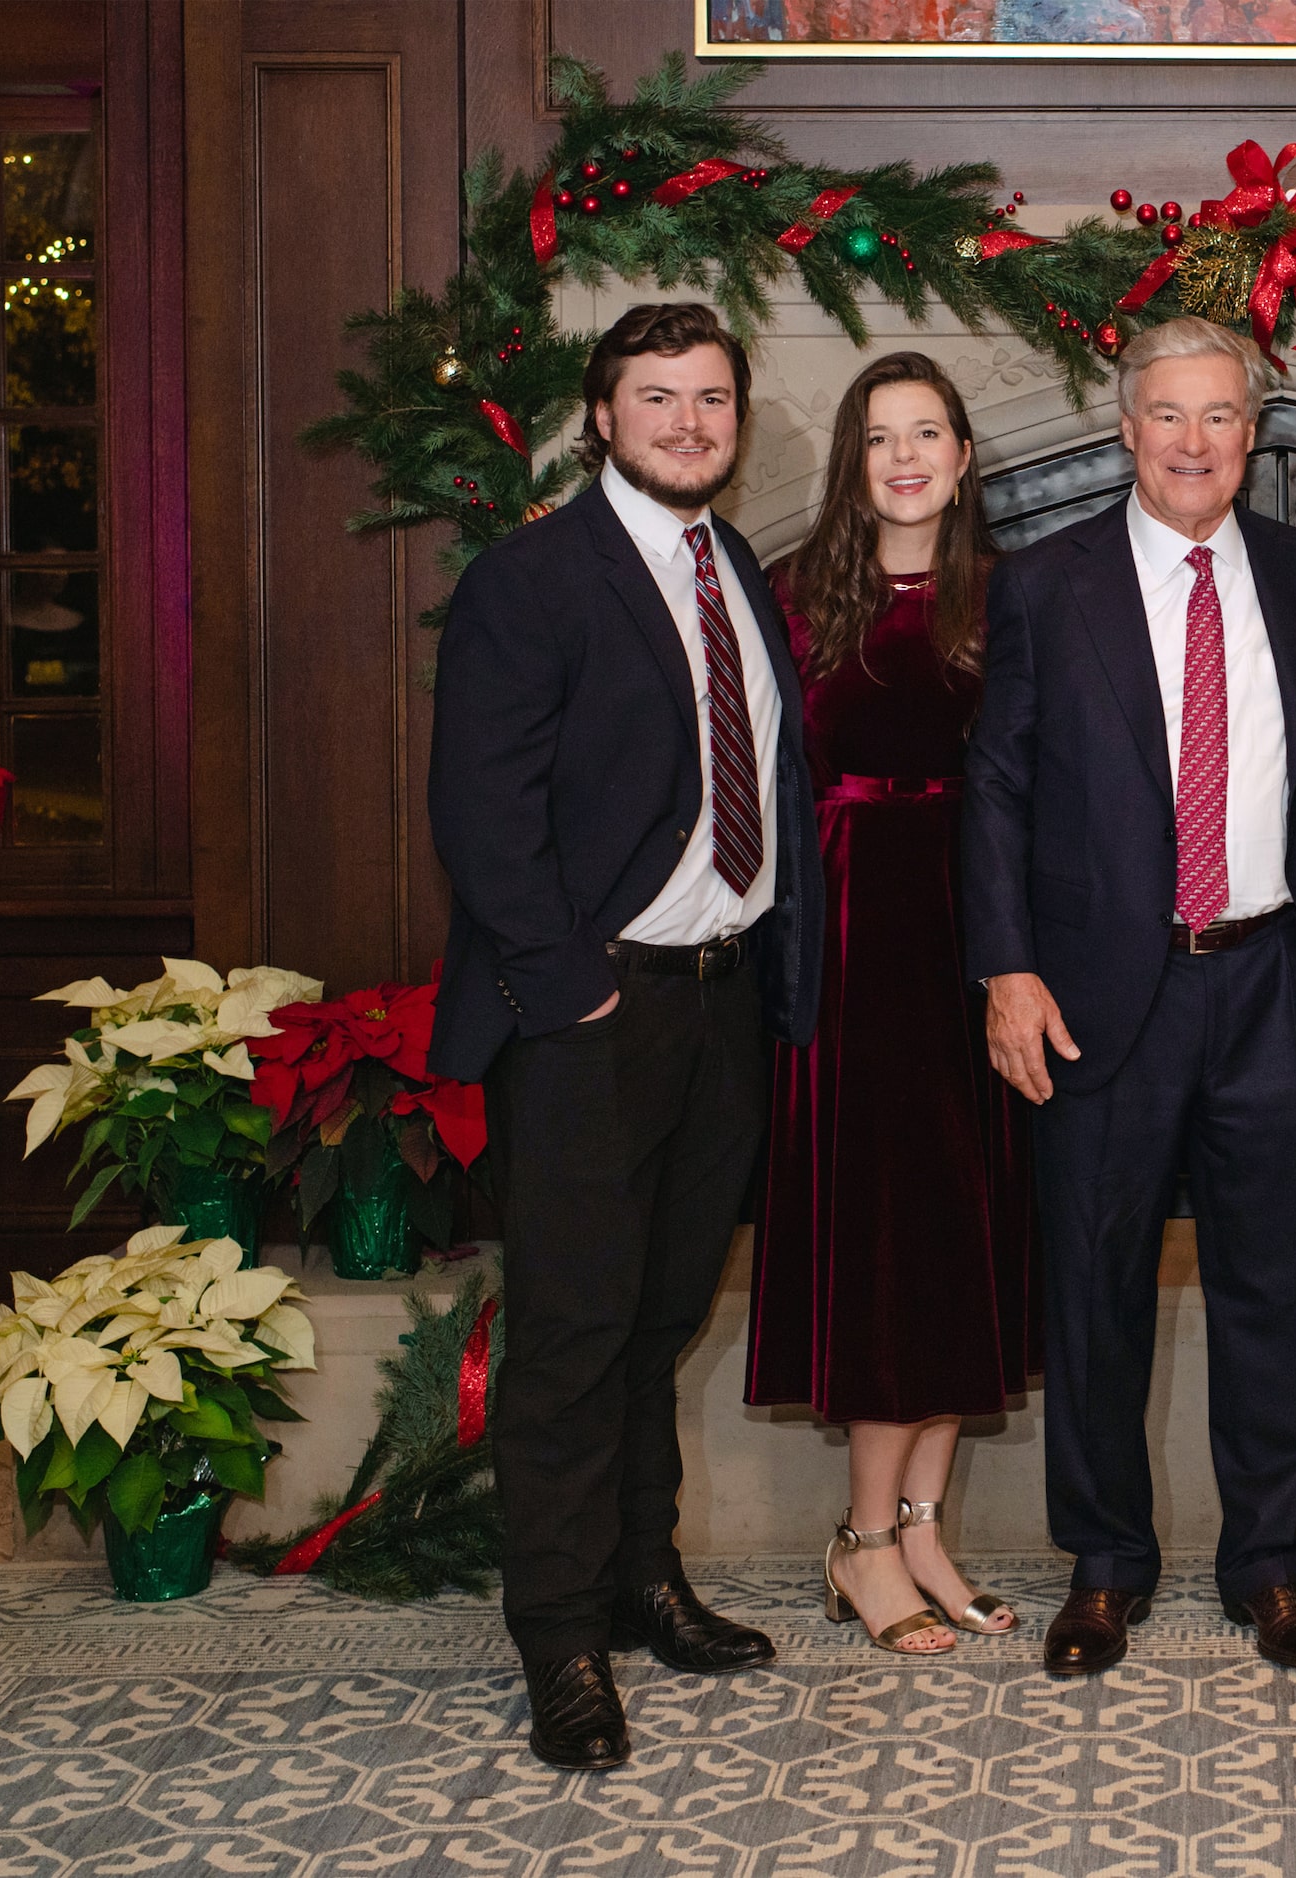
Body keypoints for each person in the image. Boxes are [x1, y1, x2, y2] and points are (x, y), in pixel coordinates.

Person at [426, 303, 820, 1771]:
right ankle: (559, 1635)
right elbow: (481, 807)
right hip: (598, 1010)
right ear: (603, 415)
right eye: (657, 398)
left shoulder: (742, 576)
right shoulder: (531, 579)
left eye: (711, 398)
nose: (688, 422)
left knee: (661, 1315)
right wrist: (564, 982)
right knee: (577, 1333)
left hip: (720, 1005)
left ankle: (645, 1579)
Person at [962, 316, 1296, 1678]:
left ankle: (1271, 1563)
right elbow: (997, 785)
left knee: (1267, 1284)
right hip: (1095, 993)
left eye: (1220, 416)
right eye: (1168, 416)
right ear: (1126, 428)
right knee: (1096, 1286)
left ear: (1254, 432)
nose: (1194, 442)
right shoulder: (1043, 585)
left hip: (1266, 982)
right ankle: (1105, 1561)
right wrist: (1005, 968)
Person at [745, 352, 1036, 1657]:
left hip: (980, 941)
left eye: (929, 433)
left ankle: (922, 1524)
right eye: (880, 437)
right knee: (881, 1249)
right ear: (852, 462)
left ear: (966, 455)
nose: (907, 456)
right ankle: (861, 1540)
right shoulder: (797, 599)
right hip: (854, 945)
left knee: (958, 1240)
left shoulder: (1007, 599)